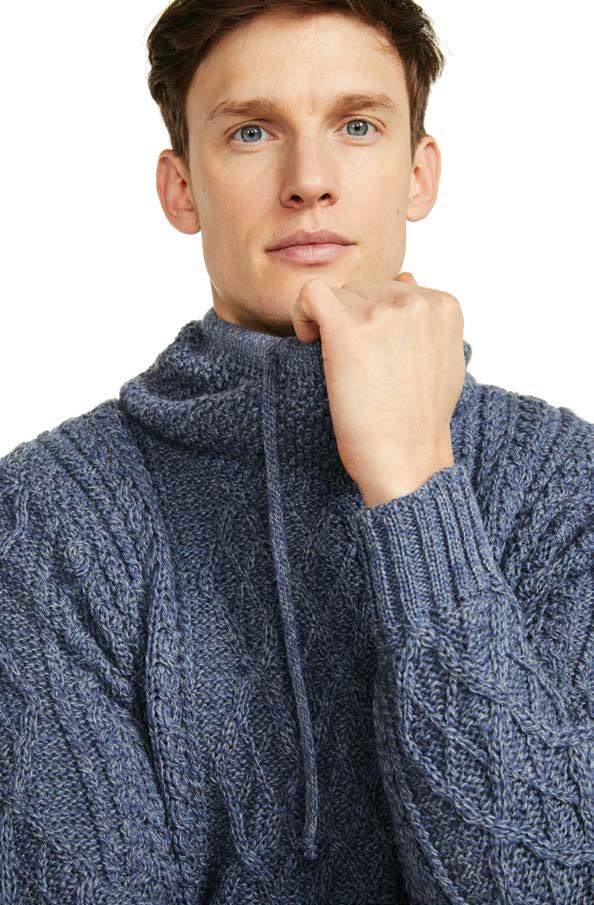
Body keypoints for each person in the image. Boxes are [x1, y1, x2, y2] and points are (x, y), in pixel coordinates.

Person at [1, 2, 591, 903]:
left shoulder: (561, 483)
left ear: (419, 173)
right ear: (182, 189)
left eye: (356, 125)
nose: (308, 181)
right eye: (251, 131)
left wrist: (413, 480)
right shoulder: (48, 515)